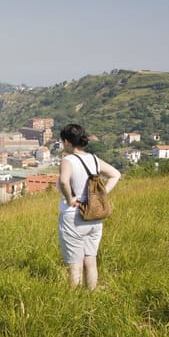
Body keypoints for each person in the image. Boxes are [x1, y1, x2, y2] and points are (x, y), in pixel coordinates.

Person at [57, 124, 121, 290]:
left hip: (74, 216)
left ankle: (75, 302)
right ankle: (91, 295)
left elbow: (64, 181)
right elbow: (116, 174)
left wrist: (70, 198)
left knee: (75, 266)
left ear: (67, 142)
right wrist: (100, 196)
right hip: (94, 216)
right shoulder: (93, 159)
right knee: (90, 261)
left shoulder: (68, 160)